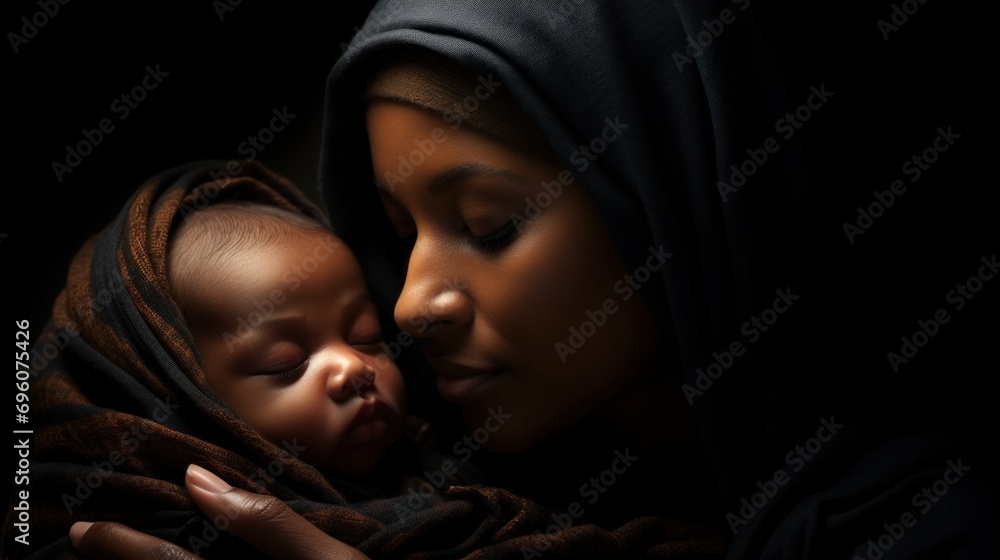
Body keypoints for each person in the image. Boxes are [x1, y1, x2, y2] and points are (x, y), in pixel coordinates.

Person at [58, 0, 1000, 558]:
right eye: (396, 234)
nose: (411, 305)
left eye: (489, 224)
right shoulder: (459, 494)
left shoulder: (930, 518)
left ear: (679, 194)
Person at [8, 159, 727, 559]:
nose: (354, 368)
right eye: (286, 363)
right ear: (175, 404)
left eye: (366, 335)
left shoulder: (457, 465)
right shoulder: (141, 532)